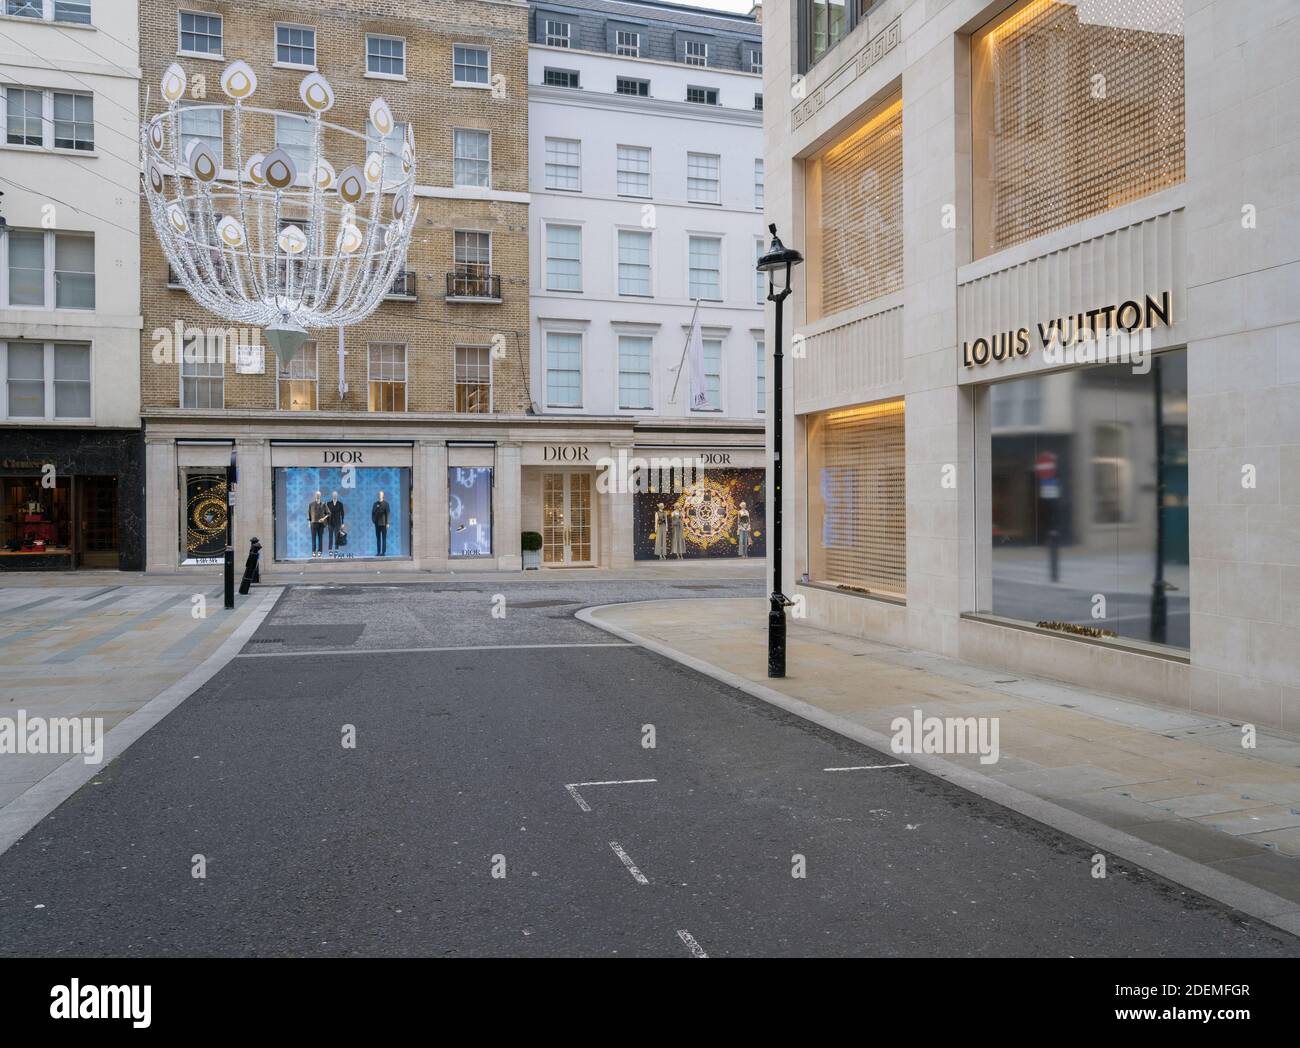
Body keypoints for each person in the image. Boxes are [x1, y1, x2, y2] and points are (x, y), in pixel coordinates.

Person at [307, 491, 328, 557]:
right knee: (313, 538)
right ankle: (313, 551)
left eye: (318, 495)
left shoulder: (324, 504)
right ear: (315, 495)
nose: (317, 496)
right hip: (313, 523)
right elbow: (309, 514)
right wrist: (308, 523)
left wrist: (323, 518)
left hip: (321, 524)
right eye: (316, 495)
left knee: (320, 538)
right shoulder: (311, 504)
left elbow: (328, 513)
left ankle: (320, 551)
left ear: (320, 495)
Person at [372, 491, 390, 556]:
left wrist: (387, 523)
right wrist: (373, 521)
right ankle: (378, 552)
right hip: (377, 524)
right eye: (379, 494)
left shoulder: (386, 504)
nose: (379, 495)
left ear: (383, 495)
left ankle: (383, 552)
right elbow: (373, 513)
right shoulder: (375, 504)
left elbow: (388, 513)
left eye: (381, 494)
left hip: (384, 524)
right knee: (378, 538)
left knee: (384, 538)